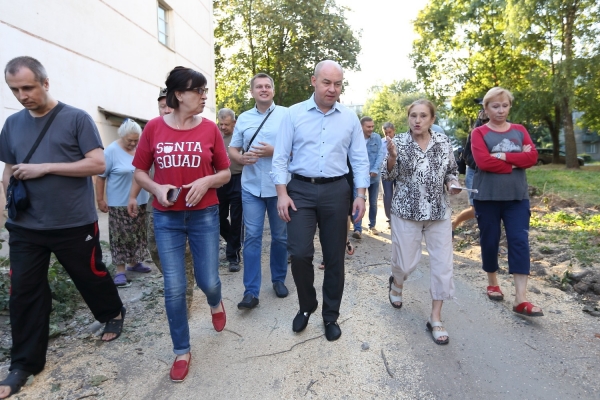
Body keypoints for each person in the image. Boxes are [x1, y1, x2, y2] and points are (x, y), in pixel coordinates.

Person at [0, 56, 125, 398]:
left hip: (73, 221)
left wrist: (46, 168)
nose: (22, 95)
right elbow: (9, 171)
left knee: (90, 275)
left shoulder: (76, 119)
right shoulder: (11, 125)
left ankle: (112, 311)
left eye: (28, 87)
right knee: (24, 292)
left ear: (45, 82)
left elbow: (97, 163)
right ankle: (24, 364)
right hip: (26, 225)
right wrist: (4, 211)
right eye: (15, 89)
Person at [132, 66, 230, 382]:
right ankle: (182, 350)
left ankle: (216, 301)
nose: (204, 96)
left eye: (204, 91)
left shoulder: (210, 129)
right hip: (166, 217)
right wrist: (157, 189)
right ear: (179, 95)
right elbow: (140, 172)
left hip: (204, 214)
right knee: (174, 286)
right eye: (198, 91)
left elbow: (226, 173)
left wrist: (207, 181)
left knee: (208, 280)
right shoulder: (154, 129)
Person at [272, 60, 369, 342]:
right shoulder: (293, 114)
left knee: (335, 256)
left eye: (338, 84)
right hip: (299, 190)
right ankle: (307, 306)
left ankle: (330, 316)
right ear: (313, 81)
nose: (332, 89)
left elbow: (360, 160)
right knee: (300, 253)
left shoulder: (349, 118)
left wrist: (360, 194)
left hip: (337, 191)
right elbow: (280, 157)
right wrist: (281, 193)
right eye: (327, 82)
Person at [382, 99, 460, 345]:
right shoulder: (399, 143)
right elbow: (388, 174)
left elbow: (451, 170)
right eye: (413, 116)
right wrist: (392, 157)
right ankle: (397, 282)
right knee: (405, 264)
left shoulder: (443, 141)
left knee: (443, 265)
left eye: (423, 116)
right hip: (406, 210)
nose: (417, 120)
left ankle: (435, 318)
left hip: (438, 212)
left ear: (432, 119)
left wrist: (452, 183)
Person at [470, 87, 541, 316]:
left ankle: (521, 299)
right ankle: (493, 282)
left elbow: (533, 157)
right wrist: (516, 162)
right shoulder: (479, 133)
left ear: (509, 106)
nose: (500, 110)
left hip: (517, 198)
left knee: (519, 241)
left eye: (504, 105)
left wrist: (502, 156)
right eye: (495, 106)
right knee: (490, 240)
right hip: (487, 197)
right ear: (486, 108)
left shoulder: (519, 130)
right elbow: (483, 162)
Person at [229, 73, 289, 309]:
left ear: (273, 91)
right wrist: (241, 158)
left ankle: (278, 279)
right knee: (252, 237)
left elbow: (297, 150)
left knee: (280, 236)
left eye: (267, 86)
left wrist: (274, 151)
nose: (263, 90)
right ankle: (251, 291)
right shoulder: (243, 118)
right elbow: (233, 149)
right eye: (259, 87)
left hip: (279, 187)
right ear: (252, 92)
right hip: (251, 186)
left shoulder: (286, 115)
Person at [132, 88, 196, 310]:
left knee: (184, 251)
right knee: (155, 249)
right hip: (157, 204)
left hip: (187, 207)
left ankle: (184, 295)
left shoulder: (192, 128)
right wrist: (133, 196)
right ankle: (178, 282)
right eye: (162, 105)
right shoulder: (152, 131)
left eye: (169, 105)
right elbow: (140, 169)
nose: (166, 109)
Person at [96, 119, 151, 287]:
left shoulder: (140, 149)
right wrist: (100, 199)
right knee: (120, 236)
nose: (133, 143)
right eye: (130, 141)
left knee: (137, 233)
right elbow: (100, 177)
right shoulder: (111, 151)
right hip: (118, 203)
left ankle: (134, 263)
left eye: (136, 140)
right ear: (122, 136)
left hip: (140, 200)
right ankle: (120, 271)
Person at [452, 107, 489, 236]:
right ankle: (454, 224)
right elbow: (467, 157)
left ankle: (488, 235)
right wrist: (483, 164)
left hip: (490, 174)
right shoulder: (475, 133)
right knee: (475, 209)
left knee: (489, 208)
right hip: (474, 172)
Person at [216, 108, 243, 272]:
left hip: (238, 179)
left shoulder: (240, 136)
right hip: (220, 181)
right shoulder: (216, 136)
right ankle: (234, 242)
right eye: (221, 124)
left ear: (234, 122)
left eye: (226, 124)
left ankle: (233, 256)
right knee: (218, 218)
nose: (223, 127)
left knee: (236, 219)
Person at [352, 117, 384, 239]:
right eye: (368, 126)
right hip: (359, 176)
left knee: (373, 202)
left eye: (372, 126)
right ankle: (357, 229)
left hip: (374, 176)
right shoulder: (355, 138)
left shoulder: (376, 138)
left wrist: (375, 169)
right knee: (358, 200)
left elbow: (380, 154)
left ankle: (372, 225)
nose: (371, 129)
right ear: (361, 126)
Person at [381, 122, 396, 226]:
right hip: (385, 171)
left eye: (389, 132)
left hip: (398, 170)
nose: (388, 135)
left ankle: (399, 217)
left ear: (393, 131)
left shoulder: (400, 141)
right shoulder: (381, 142)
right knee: (388, 195)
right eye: (385, 133)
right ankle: (390, 218)